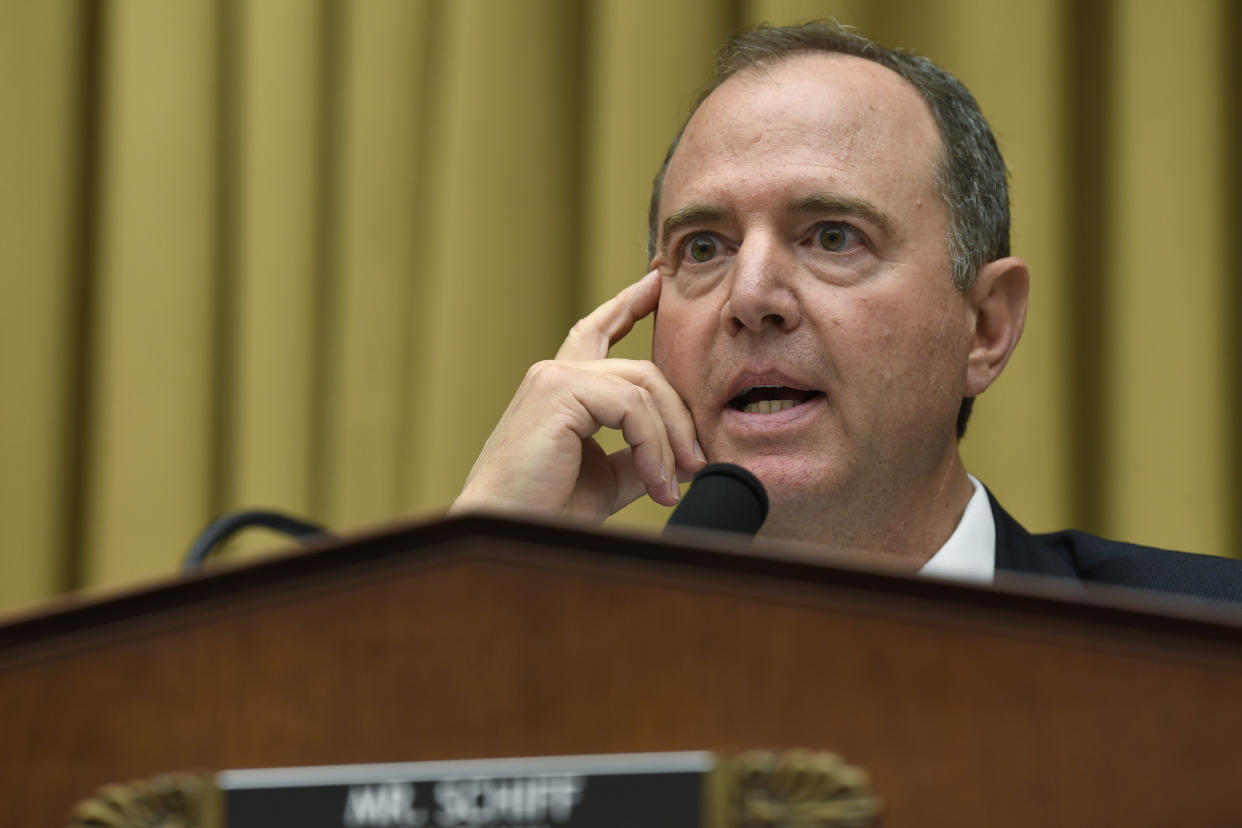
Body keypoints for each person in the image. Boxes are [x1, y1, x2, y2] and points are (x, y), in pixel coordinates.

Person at [452, 22, 1241, 603]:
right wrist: (470, 570)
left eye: (833, 236)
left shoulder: (1203, 651)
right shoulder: (541, 675)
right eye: (703, 248)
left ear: (987, 327)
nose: (752, 297)